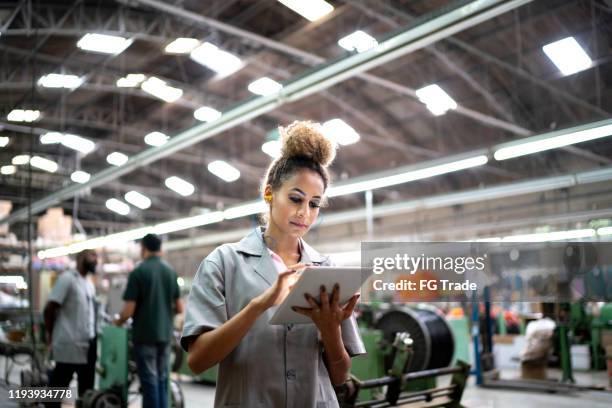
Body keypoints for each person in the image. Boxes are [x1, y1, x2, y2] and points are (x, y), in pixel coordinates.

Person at [181, 121, 365, 407]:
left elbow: (340, 376)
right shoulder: (224, 263)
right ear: (269, 194)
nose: (304, 213)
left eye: (314, 204)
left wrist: (330, 330)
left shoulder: (325, 269)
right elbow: (197, 360)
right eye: (295, 199)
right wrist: (260, 304)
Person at [114, 233, 184, 408]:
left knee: (149, 381)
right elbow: (180, 308)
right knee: (162, 379)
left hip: (145, 336)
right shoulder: (170, 271)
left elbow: (128, 310)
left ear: (143, 248)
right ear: (159, 248)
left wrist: (118, 322)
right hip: (165, 336)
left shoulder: (139, 271)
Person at [44, 249, 98, 407]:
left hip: (88, 343)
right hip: (69, 343)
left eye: (96, 258)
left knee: (86, 391)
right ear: (81, 259)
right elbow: (50, 308)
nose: (95, 261)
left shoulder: (89, 284)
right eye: (92, 257)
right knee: (57, 388)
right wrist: (51, 334)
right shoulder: (67, 279)